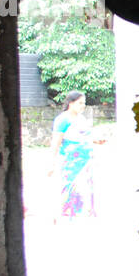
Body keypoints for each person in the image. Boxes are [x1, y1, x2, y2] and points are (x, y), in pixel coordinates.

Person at [48, 90, 97, 219]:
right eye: (80, 103)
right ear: (71, 103)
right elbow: (56, 142)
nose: (83, 106)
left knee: (86, 186)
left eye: (84, 103)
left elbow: (85, 136)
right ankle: (68, 212)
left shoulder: (81, 118)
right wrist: (51, 163)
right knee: (71, 186)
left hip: (85, 160)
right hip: (71, 162)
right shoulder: (62, 120)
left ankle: (84, 211)